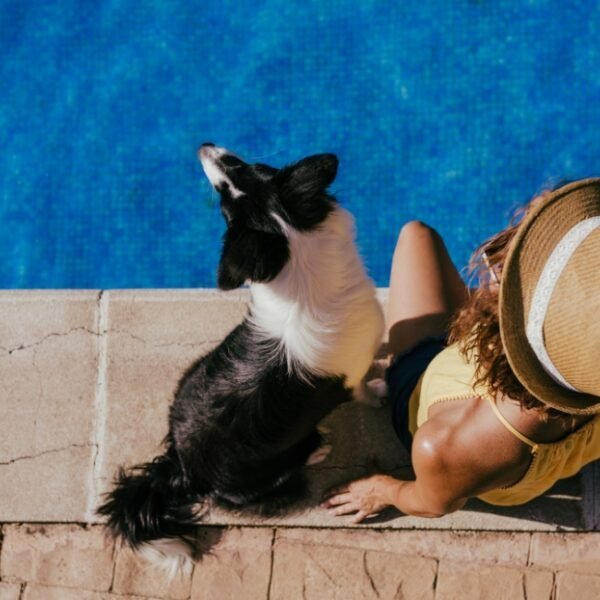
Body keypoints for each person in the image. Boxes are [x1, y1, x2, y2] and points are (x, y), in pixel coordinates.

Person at [322, 178, 600, 523]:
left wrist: (383, 489)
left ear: (509, 320)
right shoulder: (590, 366)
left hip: (433, 386)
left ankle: (395, 373)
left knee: (415, 236)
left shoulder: (447, 444)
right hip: (519, 391)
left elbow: (432, 502)